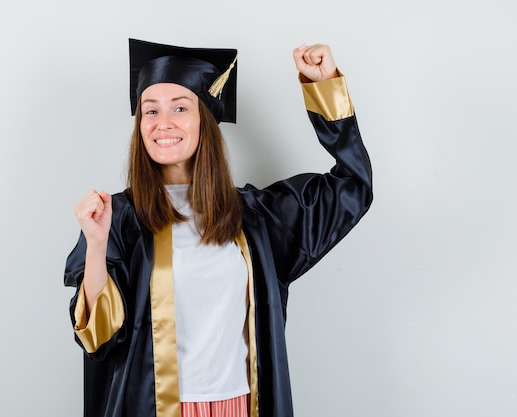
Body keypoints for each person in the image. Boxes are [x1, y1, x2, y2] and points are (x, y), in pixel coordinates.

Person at [64, 38, 372, 417]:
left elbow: (353, 186)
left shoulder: (255, 217)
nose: (163, 123)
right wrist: (96, 246)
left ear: (204, 119)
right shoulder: (120, 217)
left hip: (241, 406)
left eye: (180, 107)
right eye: (150, 111)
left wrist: (325, 87)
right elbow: (100, 340)